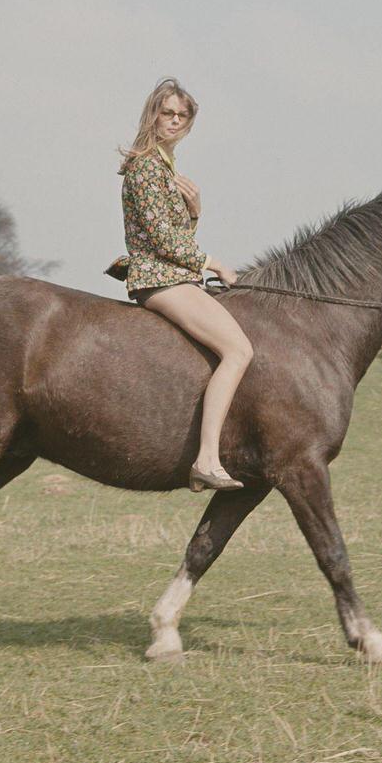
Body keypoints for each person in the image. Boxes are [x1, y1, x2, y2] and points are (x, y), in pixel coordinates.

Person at [117, 78, 252, 492]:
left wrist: (194, 213)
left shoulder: (167, 169)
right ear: (152, 114)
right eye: (167, 112)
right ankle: (207, 459)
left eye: (182, 115)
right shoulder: (144, 167)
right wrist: (218, 265)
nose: (174, 121)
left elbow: (176, 235)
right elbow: (161, 239)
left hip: (173, 274)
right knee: (238, 349)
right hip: (157, 279)